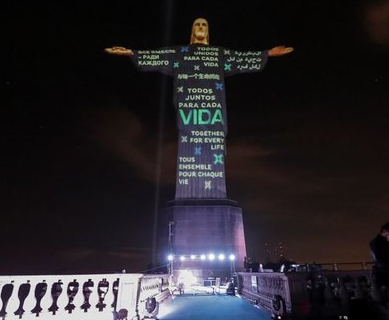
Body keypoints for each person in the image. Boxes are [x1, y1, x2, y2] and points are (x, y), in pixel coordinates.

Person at [105, 18, 292, 200]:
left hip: (213, 116)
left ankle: (214, 194)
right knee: (188, 147)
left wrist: (267, 54)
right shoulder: (181, 53)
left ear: (207, 30)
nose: (201, 27)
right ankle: (189, 194)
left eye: (204, 25)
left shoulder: (218, 54)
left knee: (214, 155)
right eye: (197, 25)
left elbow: (241, 57)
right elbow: (159, 56)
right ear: (193, 30)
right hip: (189, 115)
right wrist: (131, 53)